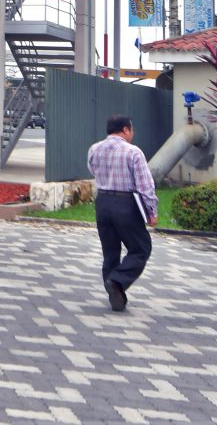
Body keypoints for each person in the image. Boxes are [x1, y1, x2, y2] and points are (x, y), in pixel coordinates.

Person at [86, 114, 157, 312]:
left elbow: (92, 170)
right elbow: (145, 185)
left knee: (110, 252)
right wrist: (152, 211)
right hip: (126, 203)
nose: (132, 134)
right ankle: (117, 282)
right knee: (141, 248)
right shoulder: (133, 152)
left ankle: (114, 290)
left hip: (103, 202)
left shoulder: (94, 149)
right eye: (131, 130)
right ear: (126, 129)